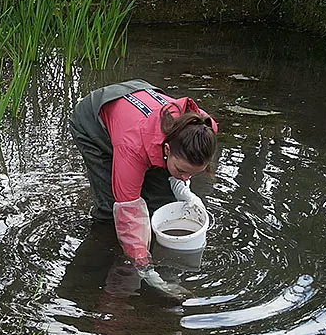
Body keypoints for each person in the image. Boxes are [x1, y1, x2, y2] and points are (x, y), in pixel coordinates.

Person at [69, 79, 218, 267]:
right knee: (110, 209)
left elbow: (180, 172)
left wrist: (185, 192)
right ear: (167, 150)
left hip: (141, 97)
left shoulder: (203, 129)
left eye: (192, 173)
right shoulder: (131, 147)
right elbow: (128, 210)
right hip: (95, 119)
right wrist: (141, 262)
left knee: (162, 201)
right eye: (182, 171)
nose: (186, 178)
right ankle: (100, 259)